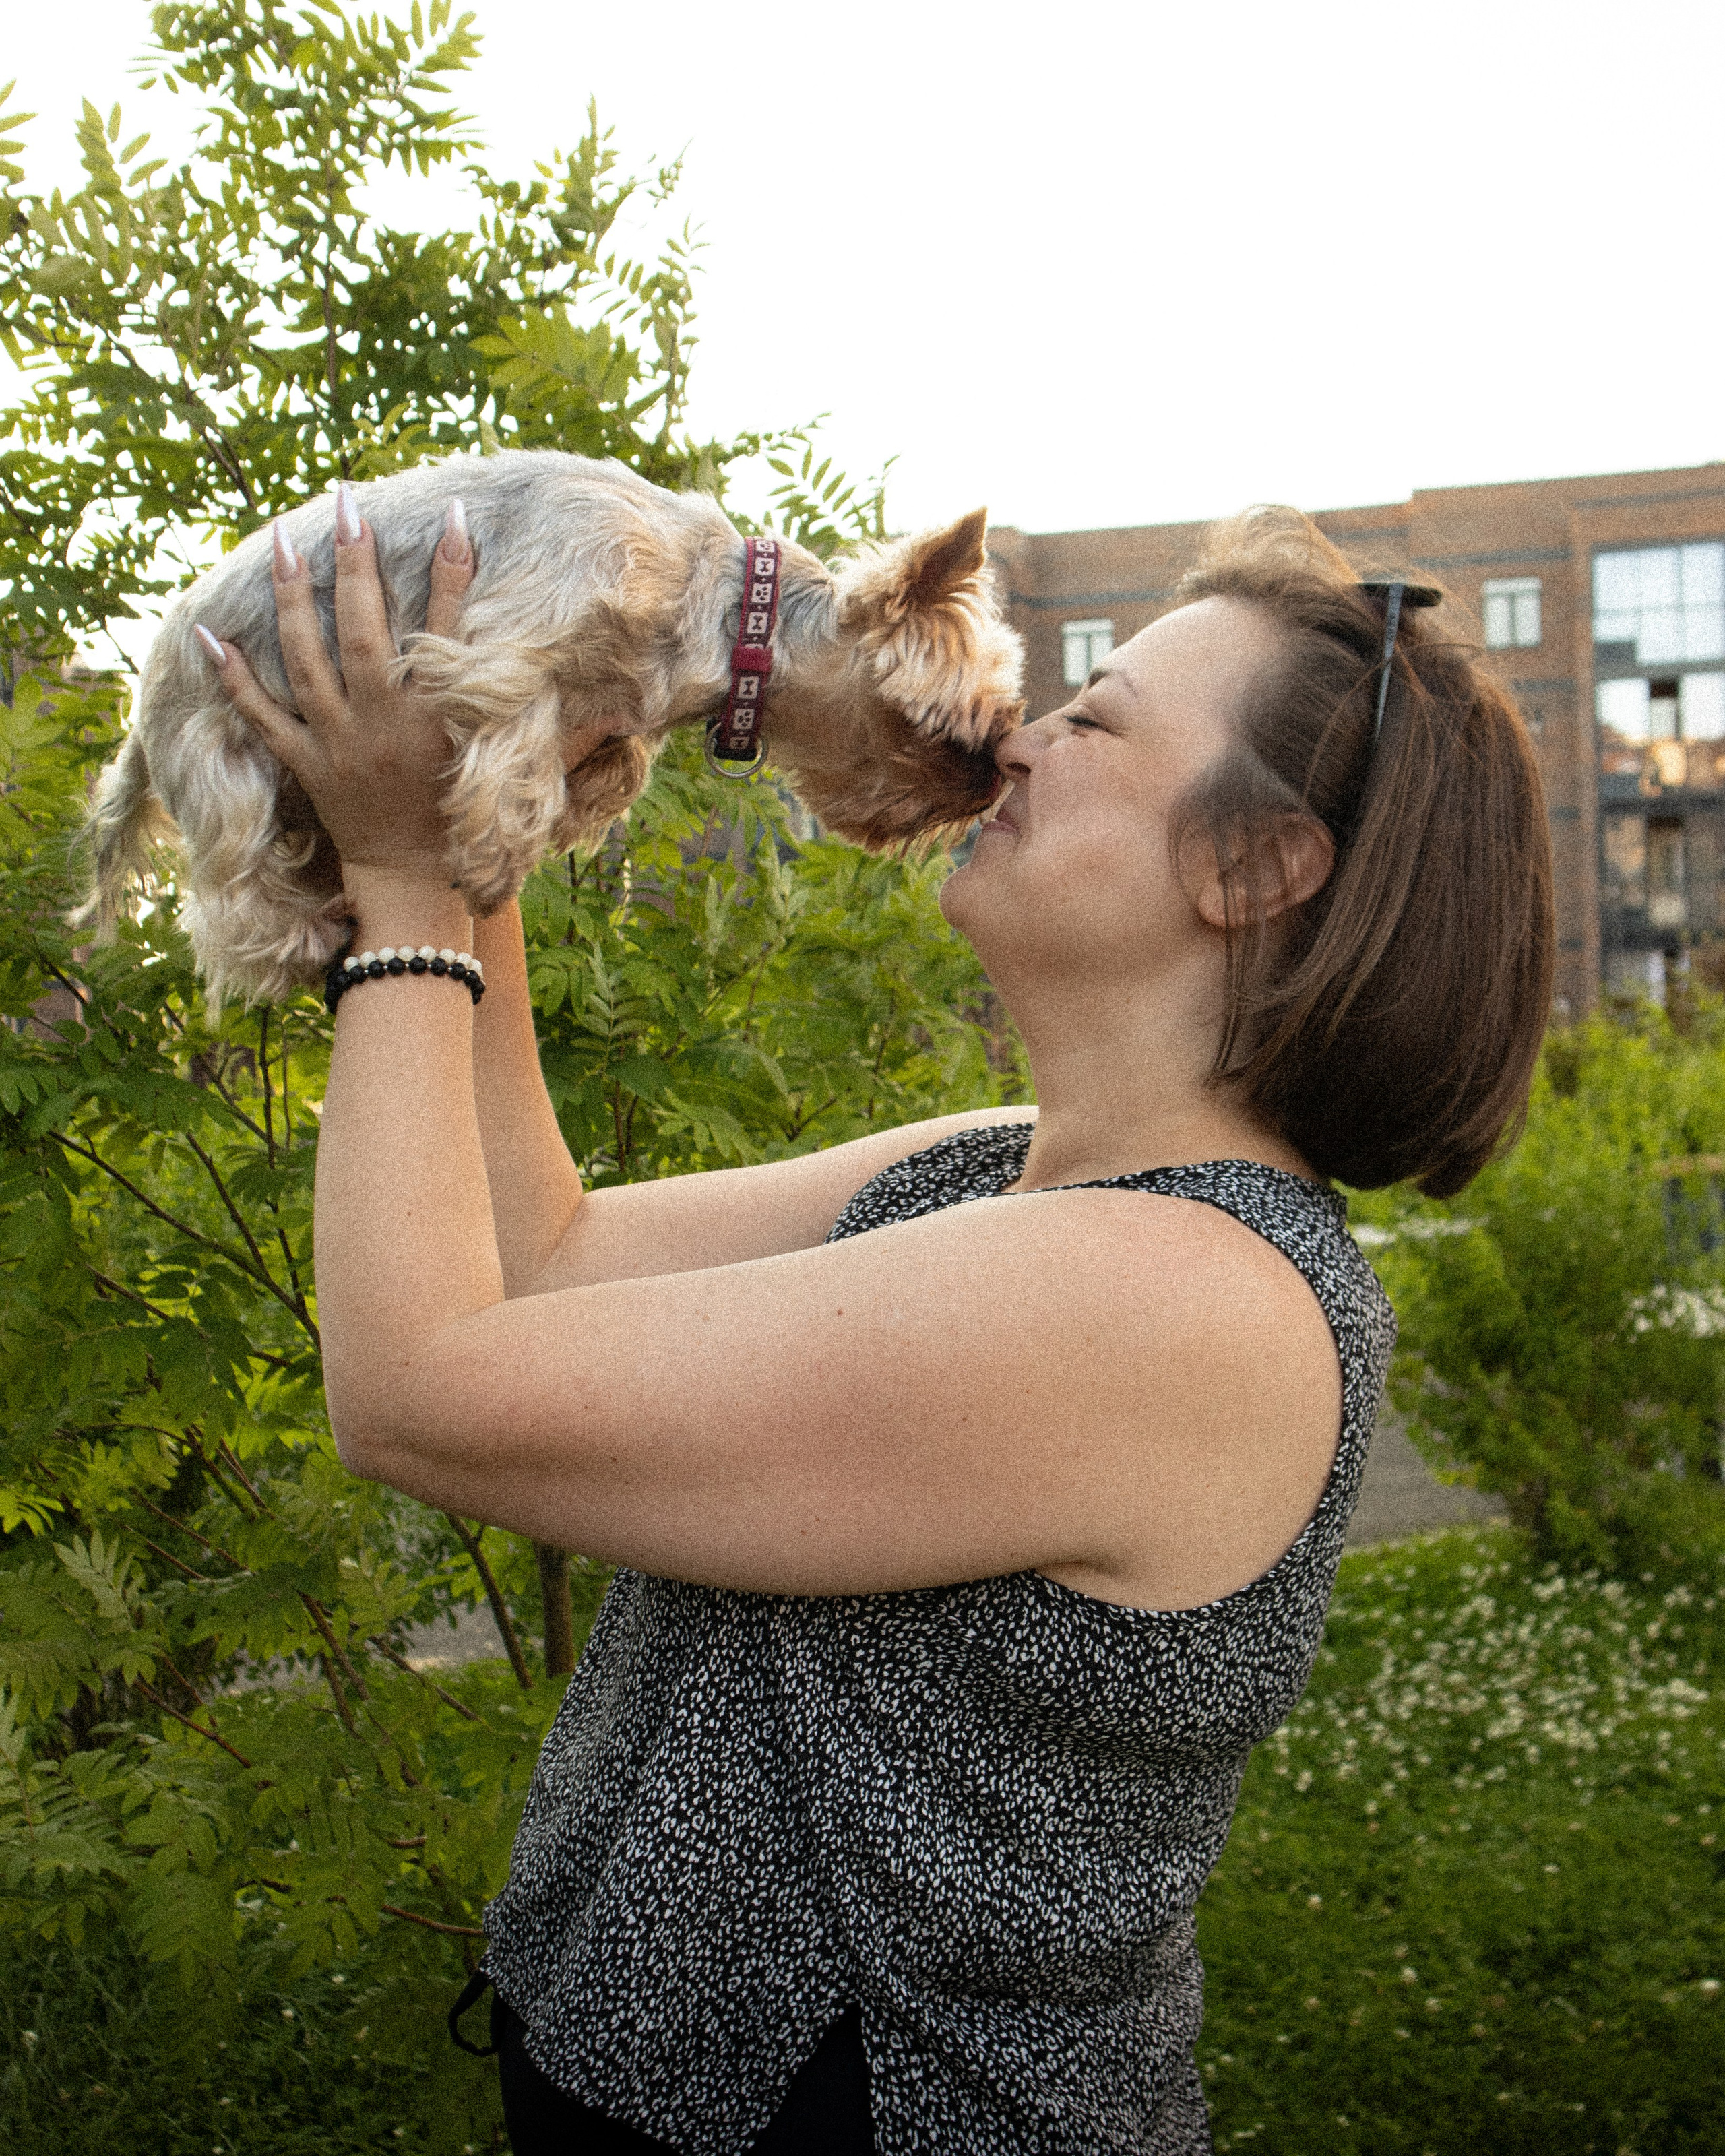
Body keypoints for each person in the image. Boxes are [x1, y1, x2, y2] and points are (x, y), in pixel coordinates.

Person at [206, 494, 1553, 2155]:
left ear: (1255, 862)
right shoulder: (992, 1172)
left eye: (1094, 715)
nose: (1015, 738)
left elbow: (415, 1389)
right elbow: (533, 1258)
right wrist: (482, 770)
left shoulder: (1181, 1300)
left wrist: (406, 878)